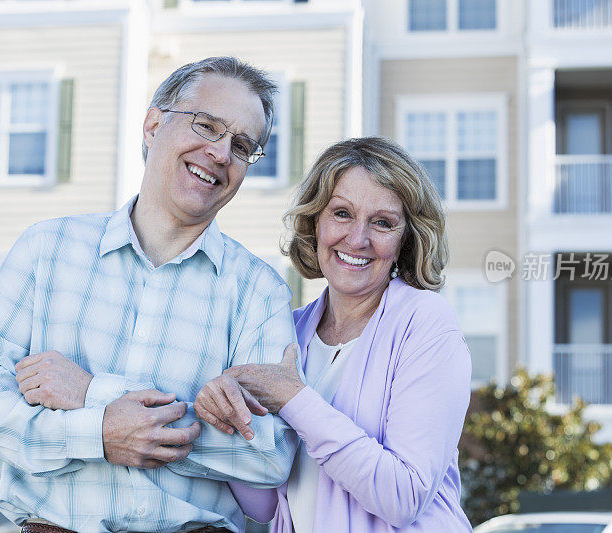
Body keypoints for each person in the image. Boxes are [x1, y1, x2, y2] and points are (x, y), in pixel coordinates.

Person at [0, 57, 300, 533]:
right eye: (207, 125)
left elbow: (270, 453)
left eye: (241, 146)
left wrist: (92, 394)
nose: (219, 153)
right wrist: (98, 433)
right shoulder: (47, 248)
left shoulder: (259, 291)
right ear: (154, 124)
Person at [195, 137, 474, 532]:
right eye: (342, 213)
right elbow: (264, 504)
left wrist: (295, 400)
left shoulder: (425, 323)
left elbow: (404, 497)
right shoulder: (288, 330)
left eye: (382, 222)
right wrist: (225, 419)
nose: (357, 239)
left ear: (406, 239)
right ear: (315, 222)